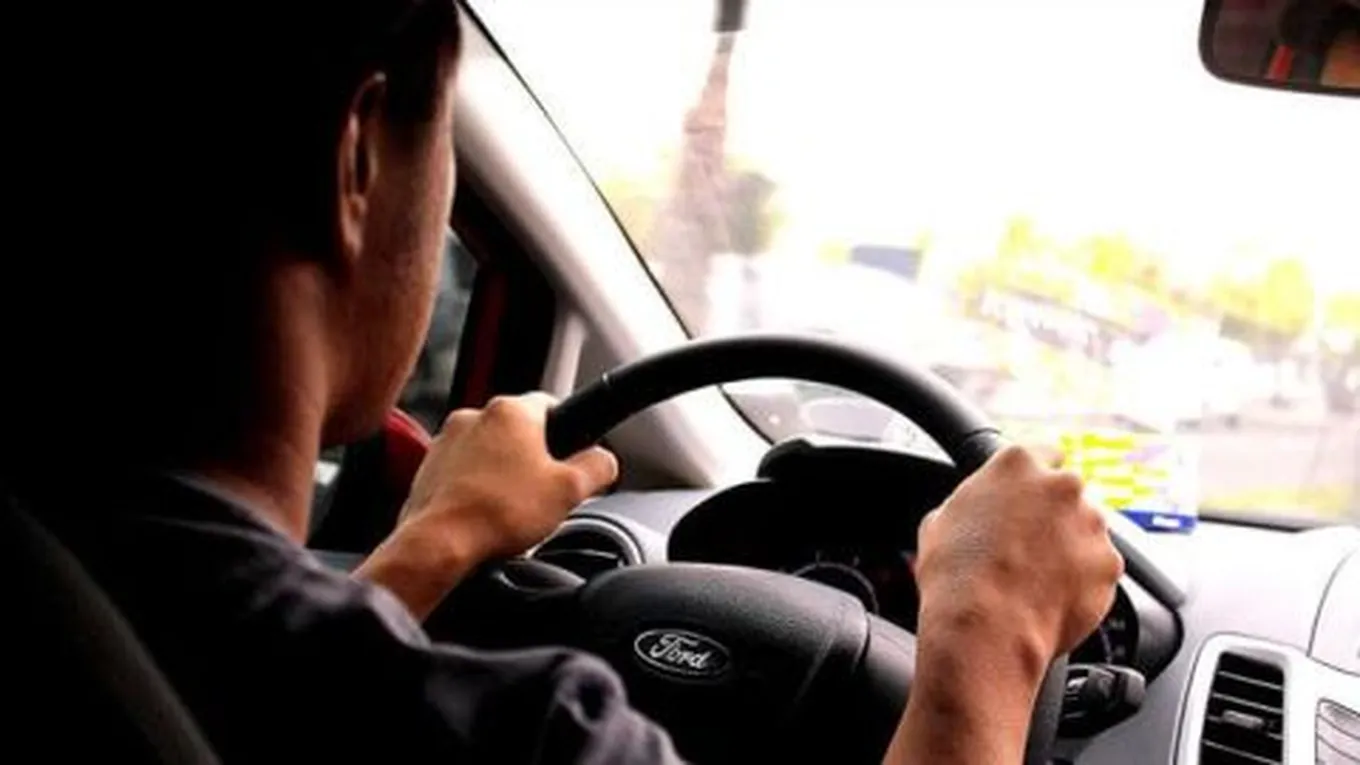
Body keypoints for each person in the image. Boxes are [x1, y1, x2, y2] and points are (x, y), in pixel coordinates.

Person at [4, 1, 1122, 763]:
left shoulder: (75, 570)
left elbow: (253, 693)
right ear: (358, 158)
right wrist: (988, 639)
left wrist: (433, 544)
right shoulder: (532, 735)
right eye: (445, 151)